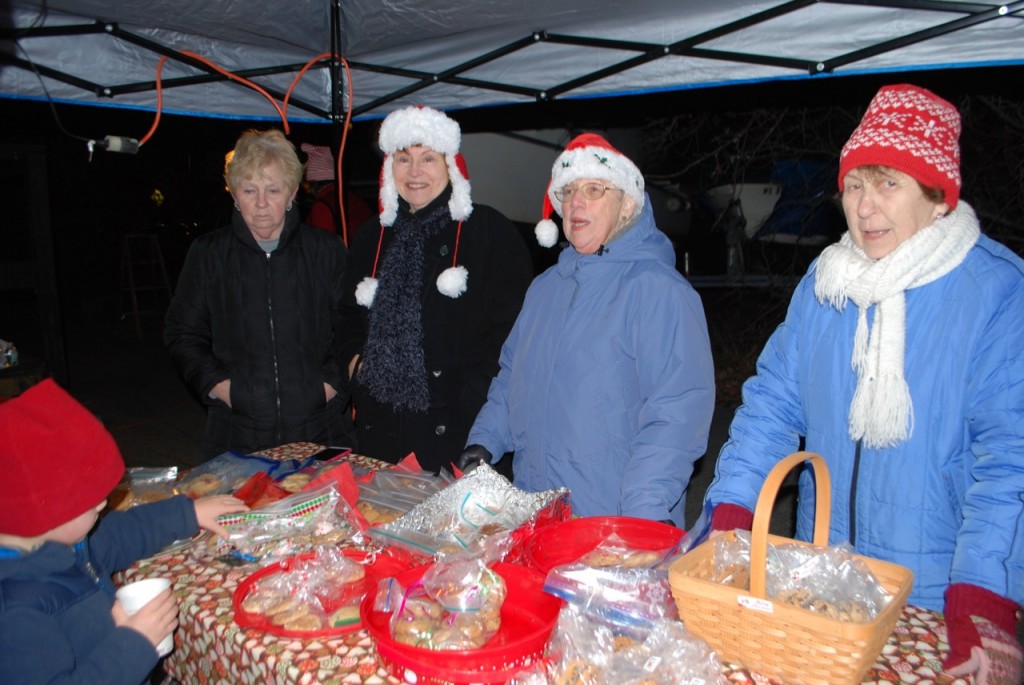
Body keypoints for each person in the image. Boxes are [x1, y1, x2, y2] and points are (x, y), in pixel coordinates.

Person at [702, 84, 1023, 684]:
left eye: (888, 184)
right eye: (855, 185)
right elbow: (770, 408)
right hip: (823, 593)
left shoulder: (998, 294)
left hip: (935, 600)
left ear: (938, 196)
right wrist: (730, 514)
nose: (865, 208)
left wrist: (982, 602)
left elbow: (1010, 464)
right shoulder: (827, 285)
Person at [459, 132, 716, 526]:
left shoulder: (658, 291)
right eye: (568, 191)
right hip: (536, 513)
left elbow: (677, 413)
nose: (576, 202)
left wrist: (644, 514)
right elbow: (513, 376)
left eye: (594, 189)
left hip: (612, 521)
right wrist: (485, 439)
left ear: (628, 203)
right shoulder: (545, 289)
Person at [0, 379, 248, 685]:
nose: (104, 503)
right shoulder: (14, 614)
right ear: (45, 513)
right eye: (90, 501)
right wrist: (135, 642)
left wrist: (190, 513)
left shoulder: (66, 543)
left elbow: (121, 533)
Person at [338, 105, 534, 474]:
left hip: (459, 433)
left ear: (450, 165)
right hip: (380, 430)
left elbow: (515, 334)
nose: (415, 172)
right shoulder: (371, 237)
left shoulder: (488, 232)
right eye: (403, 158)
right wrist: (357, 367)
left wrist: (468, 395)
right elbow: (348, 318)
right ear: (388, 167)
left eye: (428, 158)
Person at [164, 129, 356, 459]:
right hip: (237, 433)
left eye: (273, 189)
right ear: (234, 195)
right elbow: (182, 332)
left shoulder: (326, 250)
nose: (262, 203)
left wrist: (328, 387)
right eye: (250, 190)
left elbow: (352, 328)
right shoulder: (209, 254)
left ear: (293, 192)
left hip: (321, 429)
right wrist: (221, 388)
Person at [299, 142, 372, 240]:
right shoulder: (354, 198)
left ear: (312, 182)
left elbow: (322, 247)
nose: (305, 188)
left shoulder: (322, 207)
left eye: (305, 182)